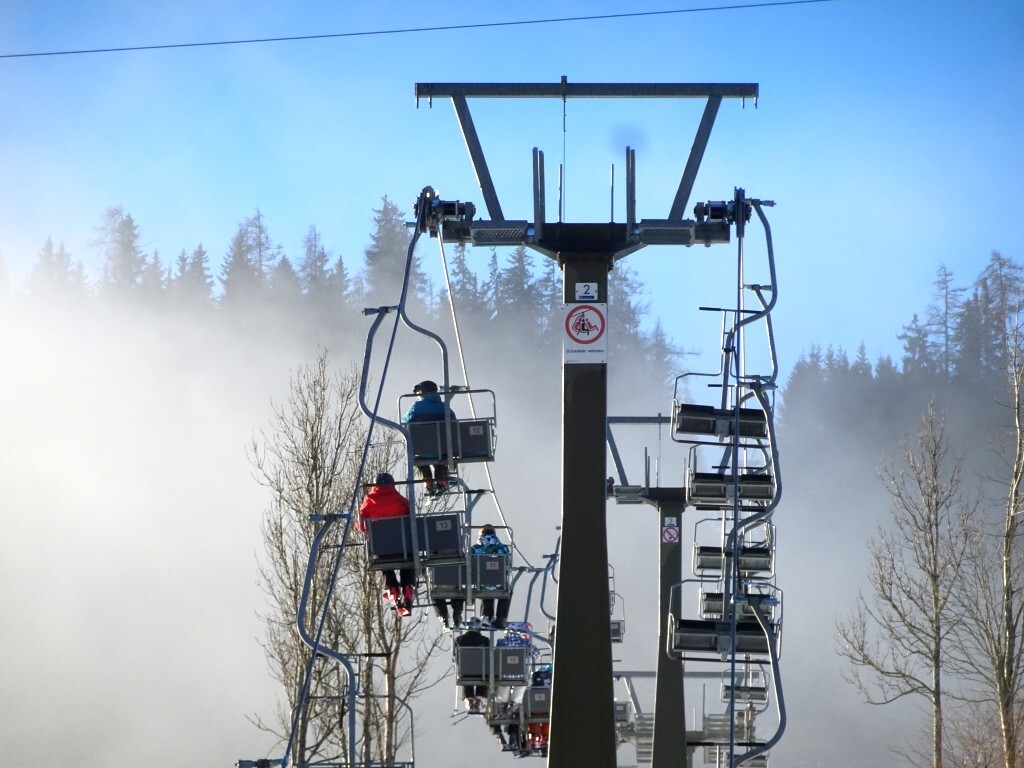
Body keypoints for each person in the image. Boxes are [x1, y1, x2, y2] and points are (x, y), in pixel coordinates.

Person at [358, 472, 416, 616]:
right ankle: (407, 587)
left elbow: (361, 524)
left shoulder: (369, 500)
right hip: (403, 547)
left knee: (384, 563)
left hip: (382, 550)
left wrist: (370, 532)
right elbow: (412, 520)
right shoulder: (401, 500)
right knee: (408, 561)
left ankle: (392, 589)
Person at [402, 380, 456, 495]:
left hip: (421, 449)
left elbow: (404, 423)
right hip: (442, 449)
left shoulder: (415, 408)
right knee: (442, 459)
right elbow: (454, 424)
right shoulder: (445, 408)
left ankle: (428, 482)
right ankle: (441, 481)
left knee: (417, 459)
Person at [472, 524, 512, 628]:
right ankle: (501, 619)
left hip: (482, 583)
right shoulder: (503, 548)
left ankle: (486, 616)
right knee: (507, 589)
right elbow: (508, 565)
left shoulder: (475, 549)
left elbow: (469, 565)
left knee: (485, 584)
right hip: (500, 583)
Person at [454, 617, 491, 713]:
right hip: (482, 673)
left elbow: (455, 656)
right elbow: (490, 657)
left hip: (465, 672)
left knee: (465, 675)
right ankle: (479, 698)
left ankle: (469, 699)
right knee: (485, 676)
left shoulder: (458, 640)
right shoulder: (485, 641)